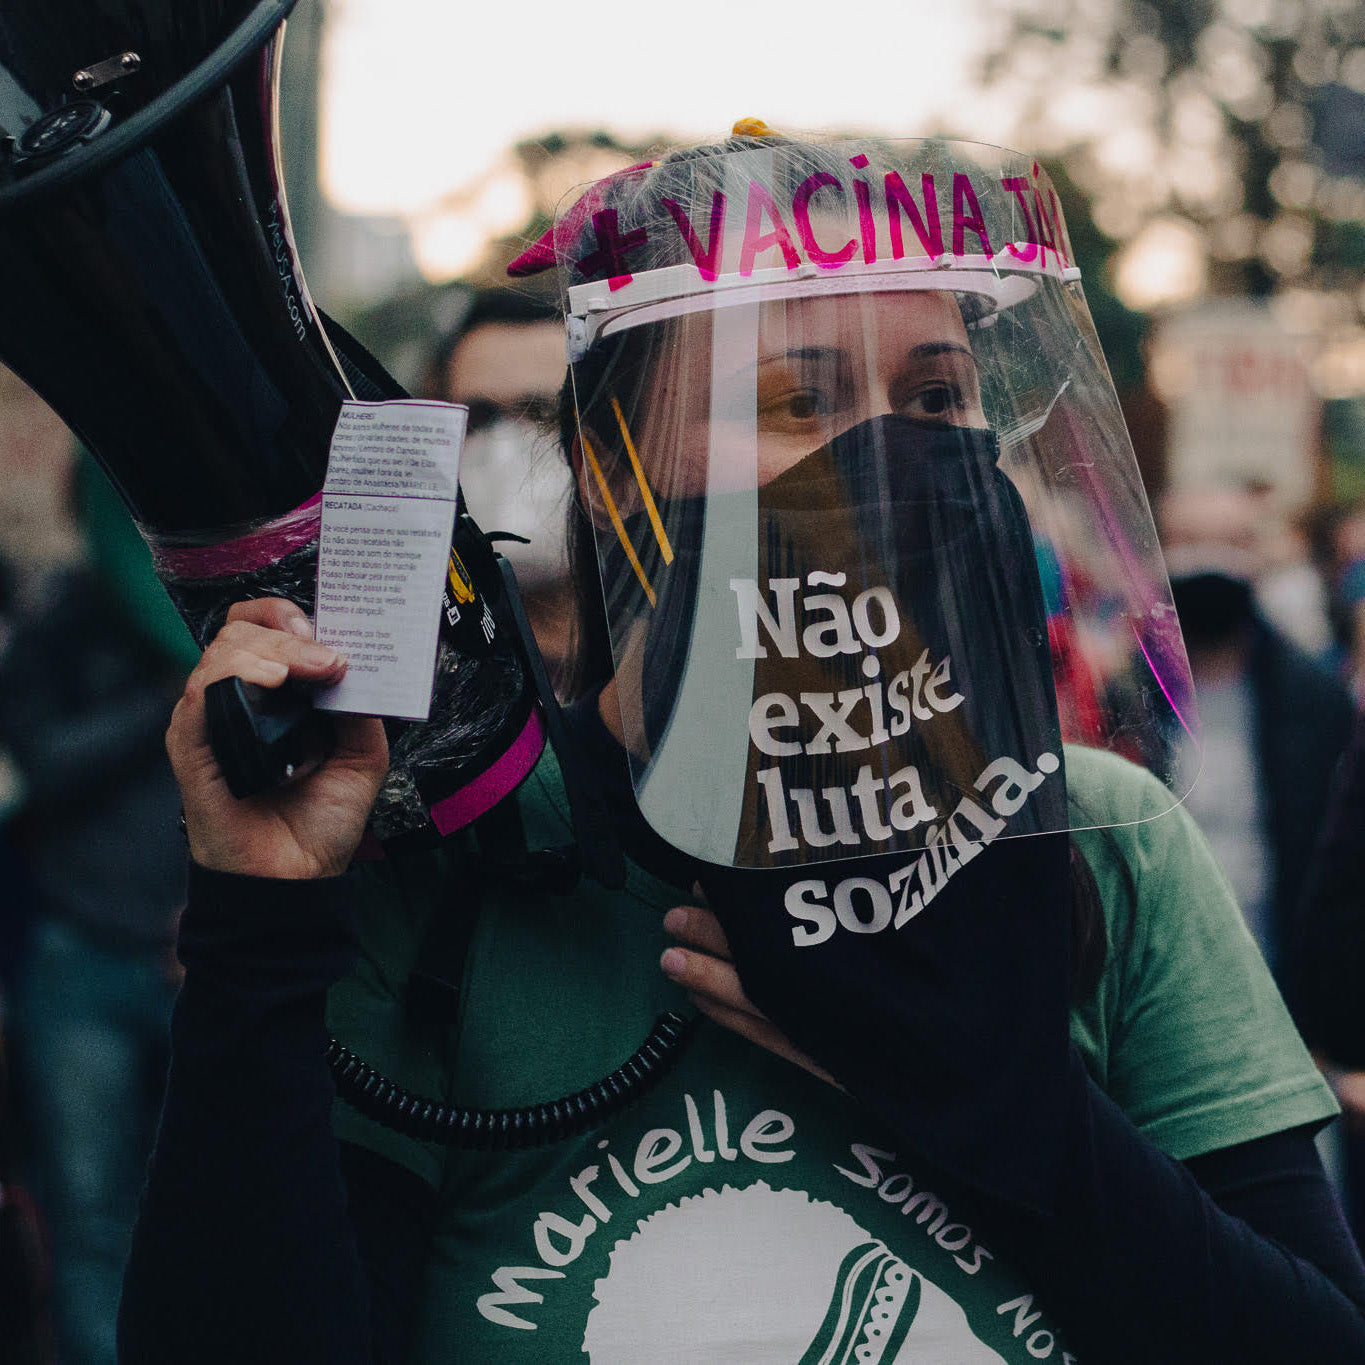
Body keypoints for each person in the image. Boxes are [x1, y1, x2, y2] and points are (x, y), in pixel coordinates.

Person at [120, 130, 1365, 1363]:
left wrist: (986, 1098)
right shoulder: (460, 855)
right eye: (798, 398)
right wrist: (263, 923)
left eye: (936, 397)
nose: (889, 454)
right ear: (613, 470)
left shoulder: (1102, 840)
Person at [427, 288, 577, 689]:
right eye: (478, 419)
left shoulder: (665, 654)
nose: (506, 447)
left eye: (544, 413)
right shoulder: (422, 672)